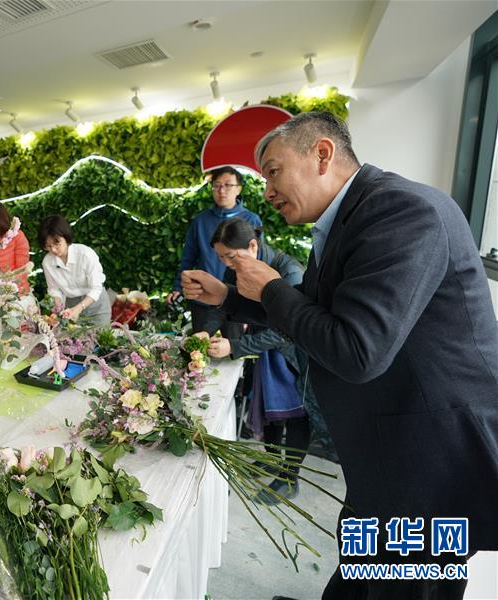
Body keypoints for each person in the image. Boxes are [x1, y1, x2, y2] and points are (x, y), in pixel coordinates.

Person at [182, 111, 498, 599]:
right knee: (361, 569)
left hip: (430, 460)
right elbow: (313, 312)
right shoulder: (349, 219)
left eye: (273, 171)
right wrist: (228, 297)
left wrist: (270, 289)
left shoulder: (402, 210)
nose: (267, 191)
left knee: (407, 587)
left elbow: (357, 350)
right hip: (383, 449)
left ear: (322, 154)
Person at [202, 217, 311, 503]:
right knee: (269, 409)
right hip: (264, 351)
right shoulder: (237, 266)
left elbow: (287, 330)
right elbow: (224, 302)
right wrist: (205, 332)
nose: (226, 264)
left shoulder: (289, 272)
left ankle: (289, 478)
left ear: (253, 245)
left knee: (295, 415)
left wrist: (236, 346)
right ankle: (273, 460)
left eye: (230, 257)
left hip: (290, 354)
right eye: (221, 257)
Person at [167, 166, 262, 338]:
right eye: (217, 185)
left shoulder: (251, 220)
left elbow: (258, 261)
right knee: (198, 345)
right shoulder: (201, 221)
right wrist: (178, 287)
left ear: (239, 189)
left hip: (236, 297)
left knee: (235, 346)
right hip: (203, 297)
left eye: (228, 185)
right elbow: (188, 258)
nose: (221, 190)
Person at [38, 215, 111, 326]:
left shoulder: (85, 254)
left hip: (96, 305)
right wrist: (58, 308)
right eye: (48, 246)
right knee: (73, 336)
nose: (53, 250)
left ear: (66, 238)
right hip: (70, 305)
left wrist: (79, 308)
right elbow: (54, 289)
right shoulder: (47, 262)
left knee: (101, 335)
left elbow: (96, 288)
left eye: (57, 244)